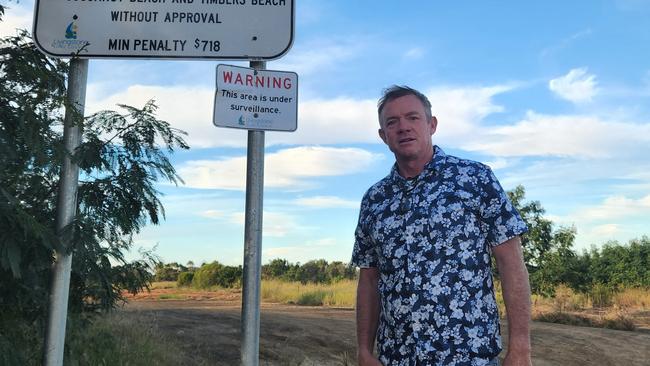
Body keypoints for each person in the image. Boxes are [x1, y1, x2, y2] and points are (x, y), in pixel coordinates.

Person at [351, 86, 532, 366]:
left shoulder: (475, 179)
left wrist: (520, 348)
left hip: (469, 357)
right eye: (392, 122)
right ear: (383, 136)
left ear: (431, 124)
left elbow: (511, 263)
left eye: (412, 118)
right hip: (397, 359)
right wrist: (364, 350)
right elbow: (370, 278)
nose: (403, 128)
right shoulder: (375, 200)